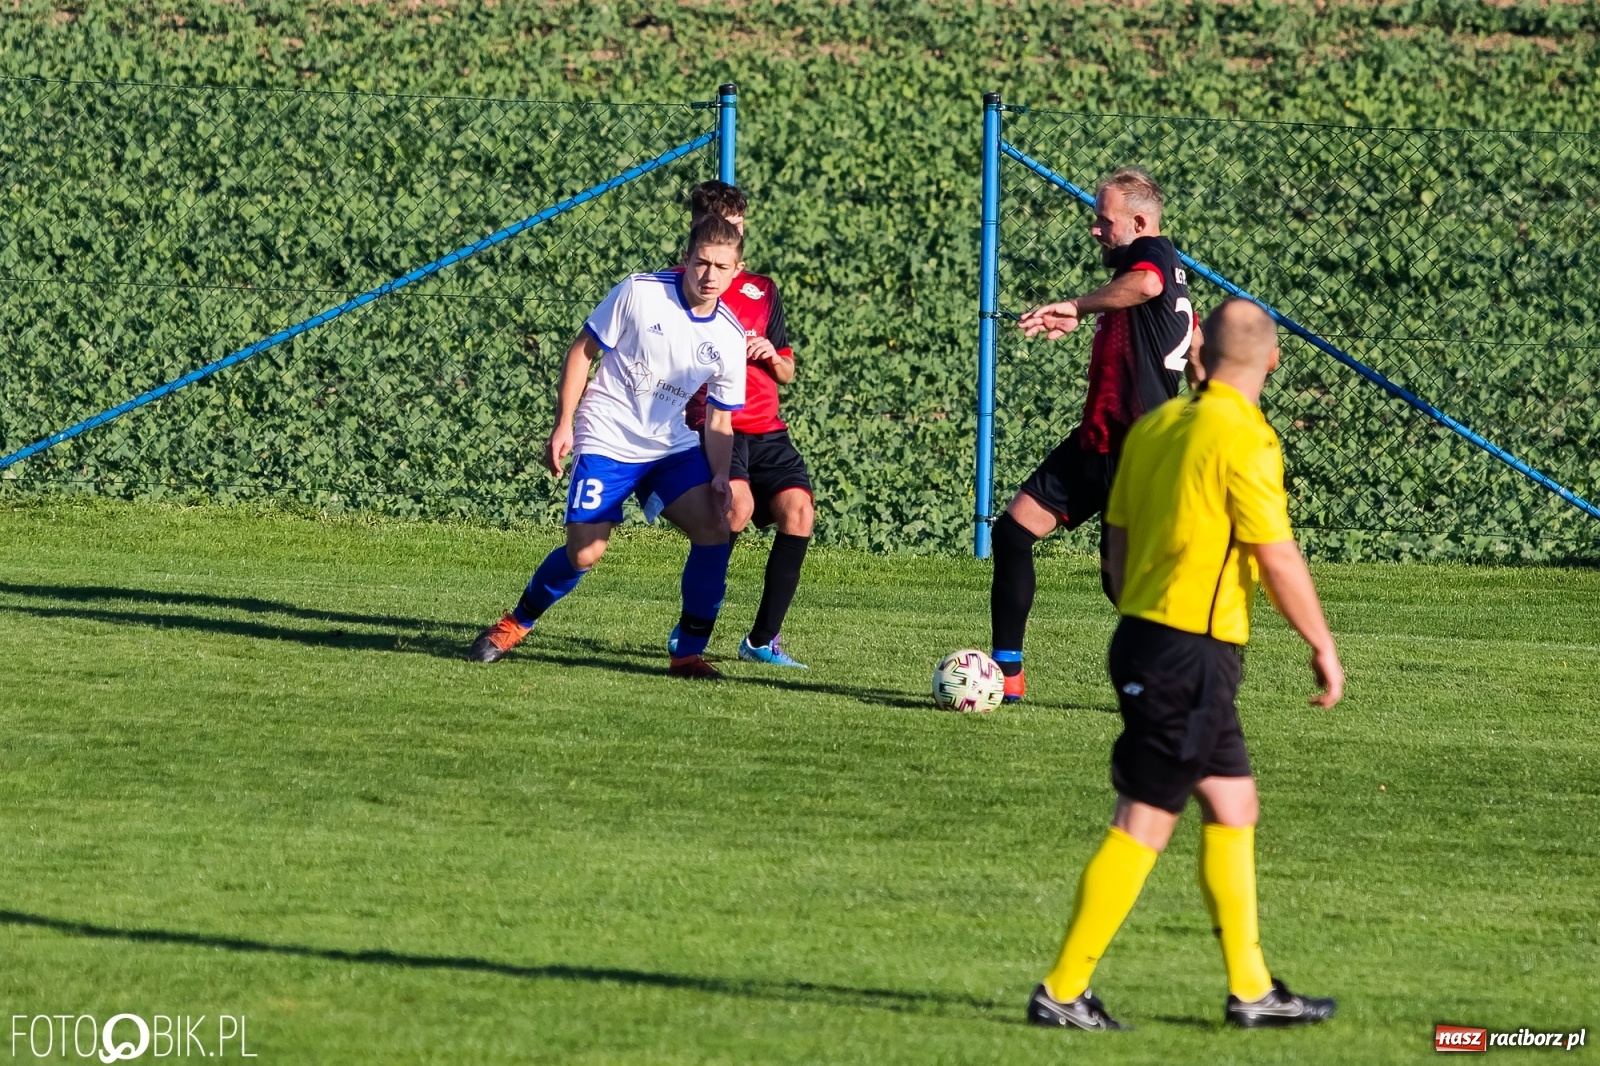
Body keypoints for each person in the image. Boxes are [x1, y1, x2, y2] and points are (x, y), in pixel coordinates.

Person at [1026, 298, 1345, 1032]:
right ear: (1271, 359)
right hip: (1190, 653)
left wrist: (1144, 606)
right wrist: (1321, 645)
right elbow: (1276, 554)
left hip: (1146, 637)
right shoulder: (1247, 439)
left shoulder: (1157, 426)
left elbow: (1117, 541)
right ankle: (1063, 991)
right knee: (1145, 820)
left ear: (1199, 358)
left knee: (1234, 805)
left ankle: (1252, 990)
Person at [466, 215, 748, 680]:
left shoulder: (729, 336)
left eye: (721, 266)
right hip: (608, 433)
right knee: (584, 553)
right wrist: (564, 425)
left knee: (717, 525)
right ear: (686, 259)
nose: (709, 275)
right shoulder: (640, 291)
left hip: (668, 447)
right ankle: (515, 623)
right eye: (701, 262)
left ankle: (688, 655)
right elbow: (582, 351)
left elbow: (720, 418)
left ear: (737, 270)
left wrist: (720, 474)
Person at [993, 166, 1197, 703]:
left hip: (1135, 448)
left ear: (1137, 222)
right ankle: (1006, 675)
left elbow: (1147, 284)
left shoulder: (1150, 260)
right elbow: (1195, 344)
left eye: (1103, 221)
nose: (1095, 230)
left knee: (1122, 584)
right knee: (1012, 533)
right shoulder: (1162, 277)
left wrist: (1077, 306)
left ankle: (1186, 672)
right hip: (1099, 439)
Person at [665, 181, 815, 668]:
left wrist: (772, 355)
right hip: (715, 424)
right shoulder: (677, 287)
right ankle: (694, 629)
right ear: (697, 232)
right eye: (724, 229)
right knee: (737, 508)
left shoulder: (763, 290)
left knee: (799, 512)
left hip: (767, 428)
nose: (733, 237)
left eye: (738, 228)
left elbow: (789, 371)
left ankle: (761, 641)